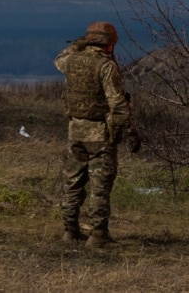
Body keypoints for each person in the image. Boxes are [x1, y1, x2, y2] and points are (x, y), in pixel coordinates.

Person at [55, 21, 140, 247]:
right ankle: (98, 235)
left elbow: (59, 57)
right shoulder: (105, 65)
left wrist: (78, 43)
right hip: (100, 135)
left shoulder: (70, 61)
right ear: (110, 43)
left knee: (72, 182)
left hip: (75, 131)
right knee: (100, 187)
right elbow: (117, 103)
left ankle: (69, 230)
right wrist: (130, 131)